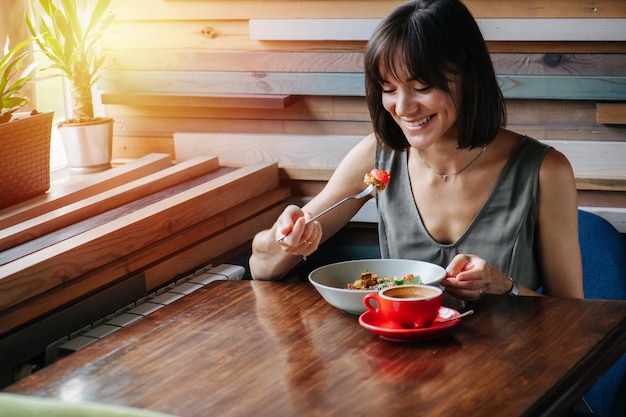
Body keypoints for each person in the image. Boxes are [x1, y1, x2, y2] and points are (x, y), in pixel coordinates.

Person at [249, 0, 584, 299]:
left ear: (468, 78)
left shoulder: (545, 171)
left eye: (422, 87)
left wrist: (505, 286)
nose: (403, 107)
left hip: (511, 365)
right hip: (401, 362)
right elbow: (262, 267)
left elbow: (576, 322)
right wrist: (286, 238)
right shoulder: (378, 157)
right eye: (389, 88)